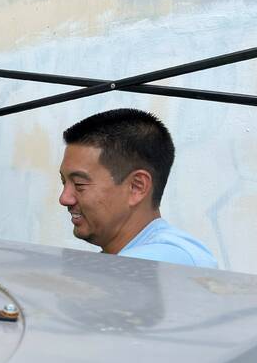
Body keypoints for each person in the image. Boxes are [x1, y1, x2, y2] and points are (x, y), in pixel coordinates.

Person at [58, 108, 217, 268]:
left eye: (79, 184)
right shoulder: (115, 266)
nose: (64, 198)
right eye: (64, 182)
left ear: (136, 187)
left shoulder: (174, 259)